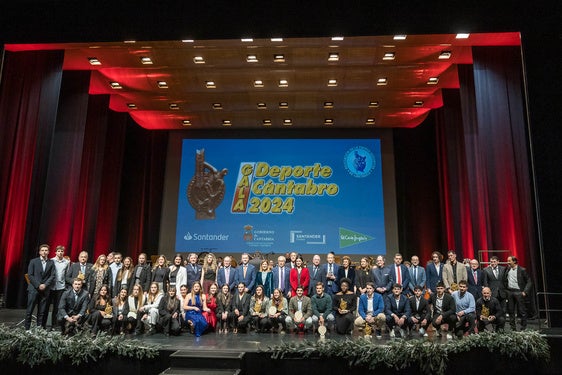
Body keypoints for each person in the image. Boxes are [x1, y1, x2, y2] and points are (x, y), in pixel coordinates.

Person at [25, 244, 56, 330]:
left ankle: (39, 330)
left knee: (41, 312)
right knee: (29, 311)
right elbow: (30, 275)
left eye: (46, 250)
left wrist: (45, 285)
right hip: (34, 289)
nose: (44, 252)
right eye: (42, 250)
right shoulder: (33, 261)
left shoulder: (51, 262)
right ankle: (27, 329)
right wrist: (38, 285)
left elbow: (52, 276)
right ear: (39, 252)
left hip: (45, 290)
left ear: (48, 252)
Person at [503, 255, 532, 331]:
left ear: (514, 261)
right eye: (507, 260)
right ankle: (513, 327)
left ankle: (523, 327)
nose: (508, 262)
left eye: (509, 261)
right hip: (510, 292)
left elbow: (529, 281)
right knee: (511, 310)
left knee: (522, 310)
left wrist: (525, 291)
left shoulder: (522, 270)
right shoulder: (507, 269)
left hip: (519, 292)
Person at [45, 245, 69, 329]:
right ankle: (43, 325)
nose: (60, 252)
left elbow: (67, 274)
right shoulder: (51, 261)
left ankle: (54, 325)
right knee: (46, 306)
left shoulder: (66, 262)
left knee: (57, 307)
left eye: (62, 251)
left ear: (64, 252)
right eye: (58, 251)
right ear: (55, 252)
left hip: (60, 287)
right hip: (50, 287)